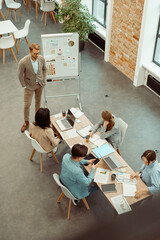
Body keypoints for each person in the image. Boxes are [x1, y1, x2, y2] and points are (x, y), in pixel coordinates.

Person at [18, 43, 47, 133]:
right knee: (27, 105)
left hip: (39, 85)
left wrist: (44, 79)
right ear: (30, 52)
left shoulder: (41, 58)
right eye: (35, 53)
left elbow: (44, 69)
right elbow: (20, 75)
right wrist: (24, 85)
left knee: (38, 103)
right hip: (29, 86)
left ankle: (37, 121)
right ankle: (26, 122)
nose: (37, 55)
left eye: (38, 53)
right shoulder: (23, 62)